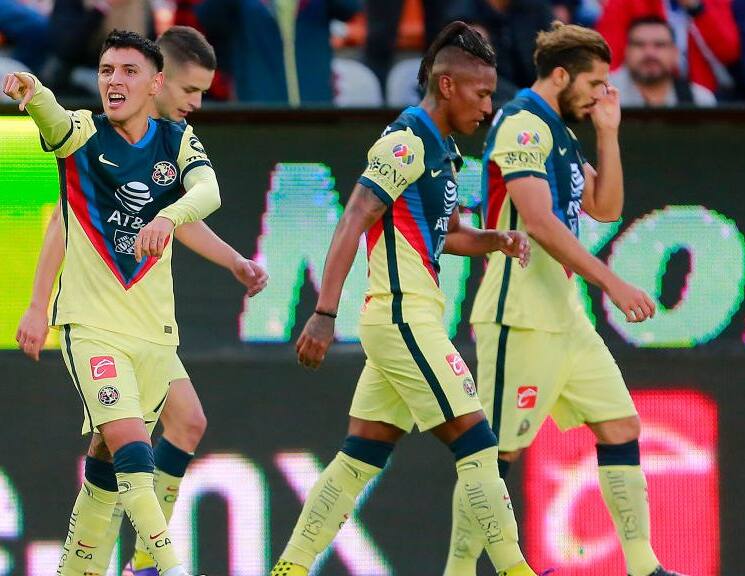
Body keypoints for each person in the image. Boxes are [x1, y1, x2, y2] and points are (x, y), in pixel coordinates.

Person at [269, 21, 543, 576]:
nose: (488, 106)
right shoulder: (405, 141)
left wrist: (493, 240)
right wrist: (324, 313)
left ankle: (290, 568)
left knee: (359, 457)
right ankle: (516, 569)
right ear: (447, 86)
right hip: (400, 315)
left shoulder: (442, 150)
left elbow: (447, 234)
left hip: (411, 316)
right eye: (482, 93)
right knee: (478, 445)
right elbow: (354, 217)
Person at [15, 26, 269, 576]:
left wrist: (230, 259)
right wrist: (33, 91)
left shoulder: (176, 141)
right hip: (93, 325)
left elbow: (199, 202)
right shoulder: (85, 135)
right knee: (132, 444)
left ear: (152, 82)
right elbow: (56, 138)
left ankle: (79, 570)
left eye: (127, 71)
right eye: (107, 71)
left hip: (153, 331)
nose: (114, 81)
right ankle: (161, 566)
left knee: (111, 460)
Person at [442, 22, 686, 576]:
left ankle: (644, 567)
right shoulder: (523, 125)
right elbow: (539, 222)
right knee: (493, 456)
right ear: (559, 75)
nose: (603, 93)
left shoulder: (560, 131)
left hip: (563, 314)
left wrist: (609, 132)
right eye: (595, 83)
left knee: (620, 425)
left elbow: (606, 208)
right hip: (519, 315)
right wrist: (614, 284)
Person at [195, 0, 360, 106]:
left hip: (316, 110)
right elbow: (208, 16)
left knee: (315, 157)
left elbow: (350, 7)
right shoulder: (245, 6)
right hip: (259, 113)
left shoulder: (317, 5)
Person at [596, 0, 740, 95]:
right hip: (639, 90)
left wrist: (696, 8)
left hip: (701, 94)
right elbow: (607, 56)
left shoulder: (713, 3)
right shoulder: (626, 3)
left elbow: (729, 52)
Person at [610, 16, 716, 106]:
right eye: (639, 44)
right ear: (626, 51)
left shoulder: (700, 100)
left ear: (675, 53)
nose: (649, 53)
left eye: (659, 45)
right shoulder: (602, 94)